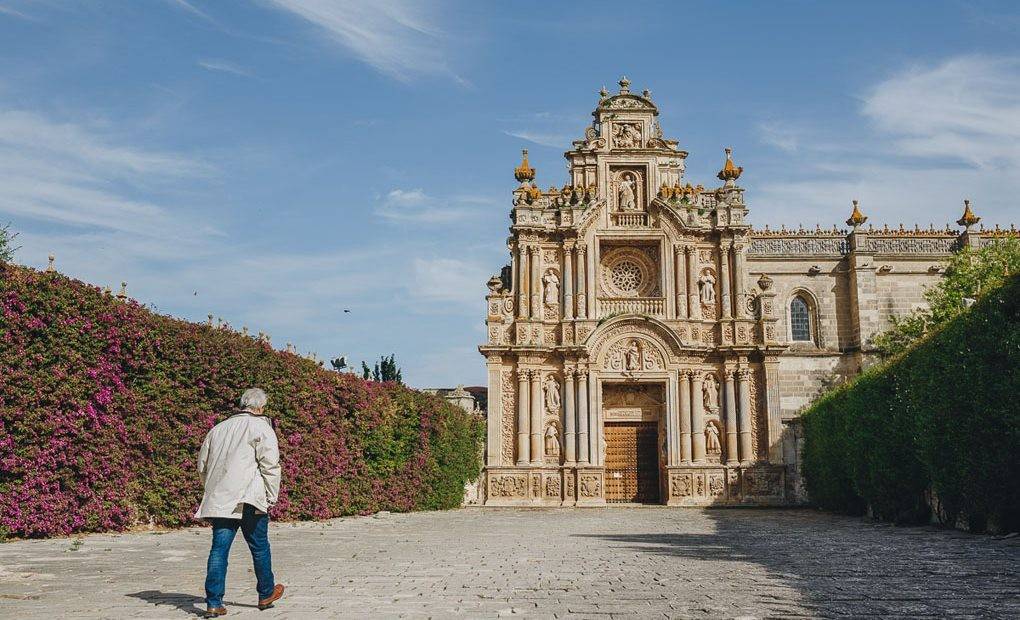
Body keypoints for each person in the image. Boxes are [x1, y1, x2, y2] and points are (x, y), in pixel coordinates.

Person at [196, 388, 285, 617]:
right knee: (259, 547)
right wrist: (271, 496)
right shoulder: (261, 427)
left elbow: (202, 467)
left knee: (219, 549)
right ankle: (266, 593)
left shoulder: (217, 429)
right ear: (260, 407)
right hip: (249, 498)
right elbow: (270, 466)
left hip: (221, 498)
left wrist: (212, 489)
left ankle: (214, 602)